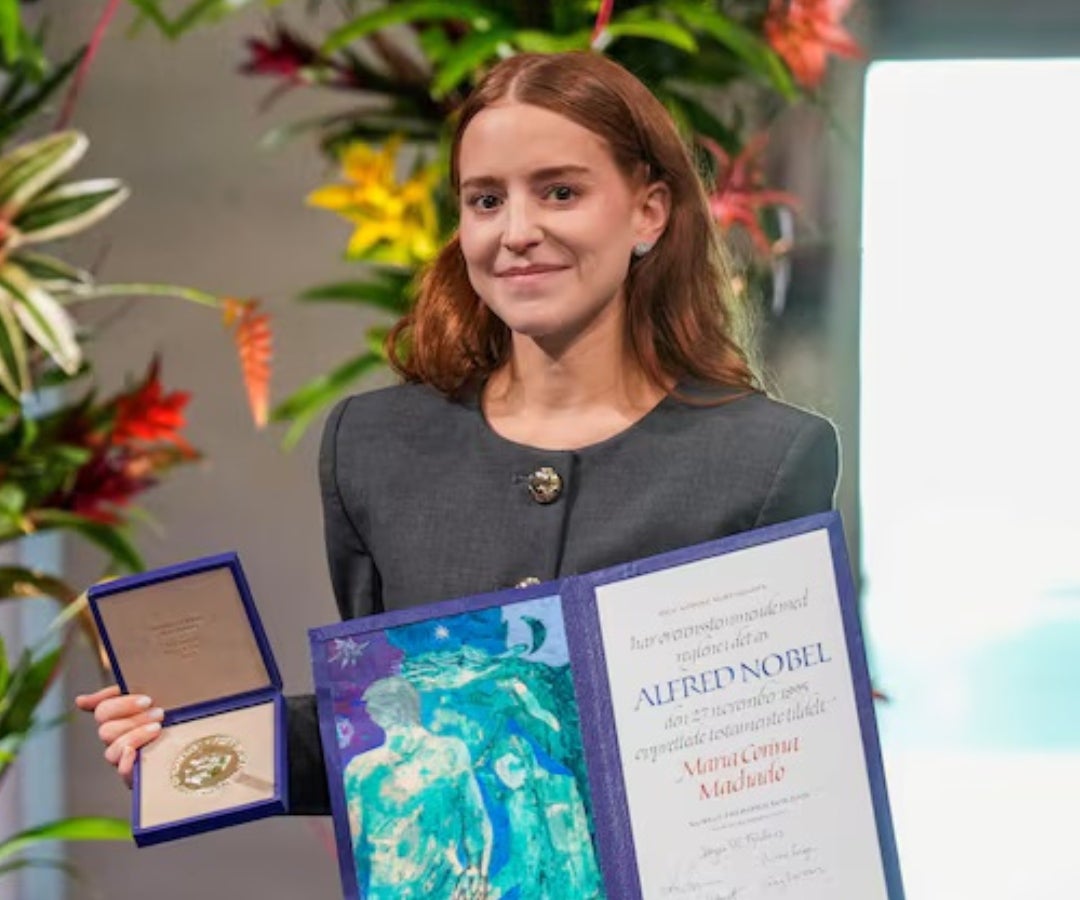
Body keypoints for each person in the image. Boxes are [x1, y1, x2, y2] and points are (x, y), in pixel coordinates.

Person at [78, 47, 836, 834]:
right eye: (484, 201)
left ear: (649, 211)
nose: (516, 232)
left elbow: (778, 757)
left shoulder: (766, 461)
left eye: (561, 192)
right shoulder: (375, 447)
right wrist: (194, 737)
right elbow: (390, 722)